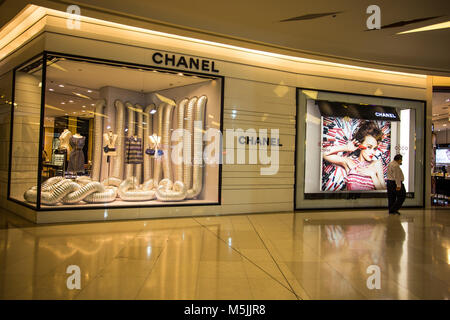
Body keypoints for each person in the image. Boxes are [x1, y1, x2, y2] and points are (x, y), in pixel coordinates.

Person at [323, 121, 386, 190]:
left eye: (375, 148)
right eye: (369, 147)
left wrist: (373, 175)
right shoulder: (349, 162)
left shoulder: (376, 164)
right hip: (351, 200)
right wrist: (346, 147)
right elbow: (324, 152)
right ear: (360, 145)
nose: (372, 152)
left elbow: (383, 190)